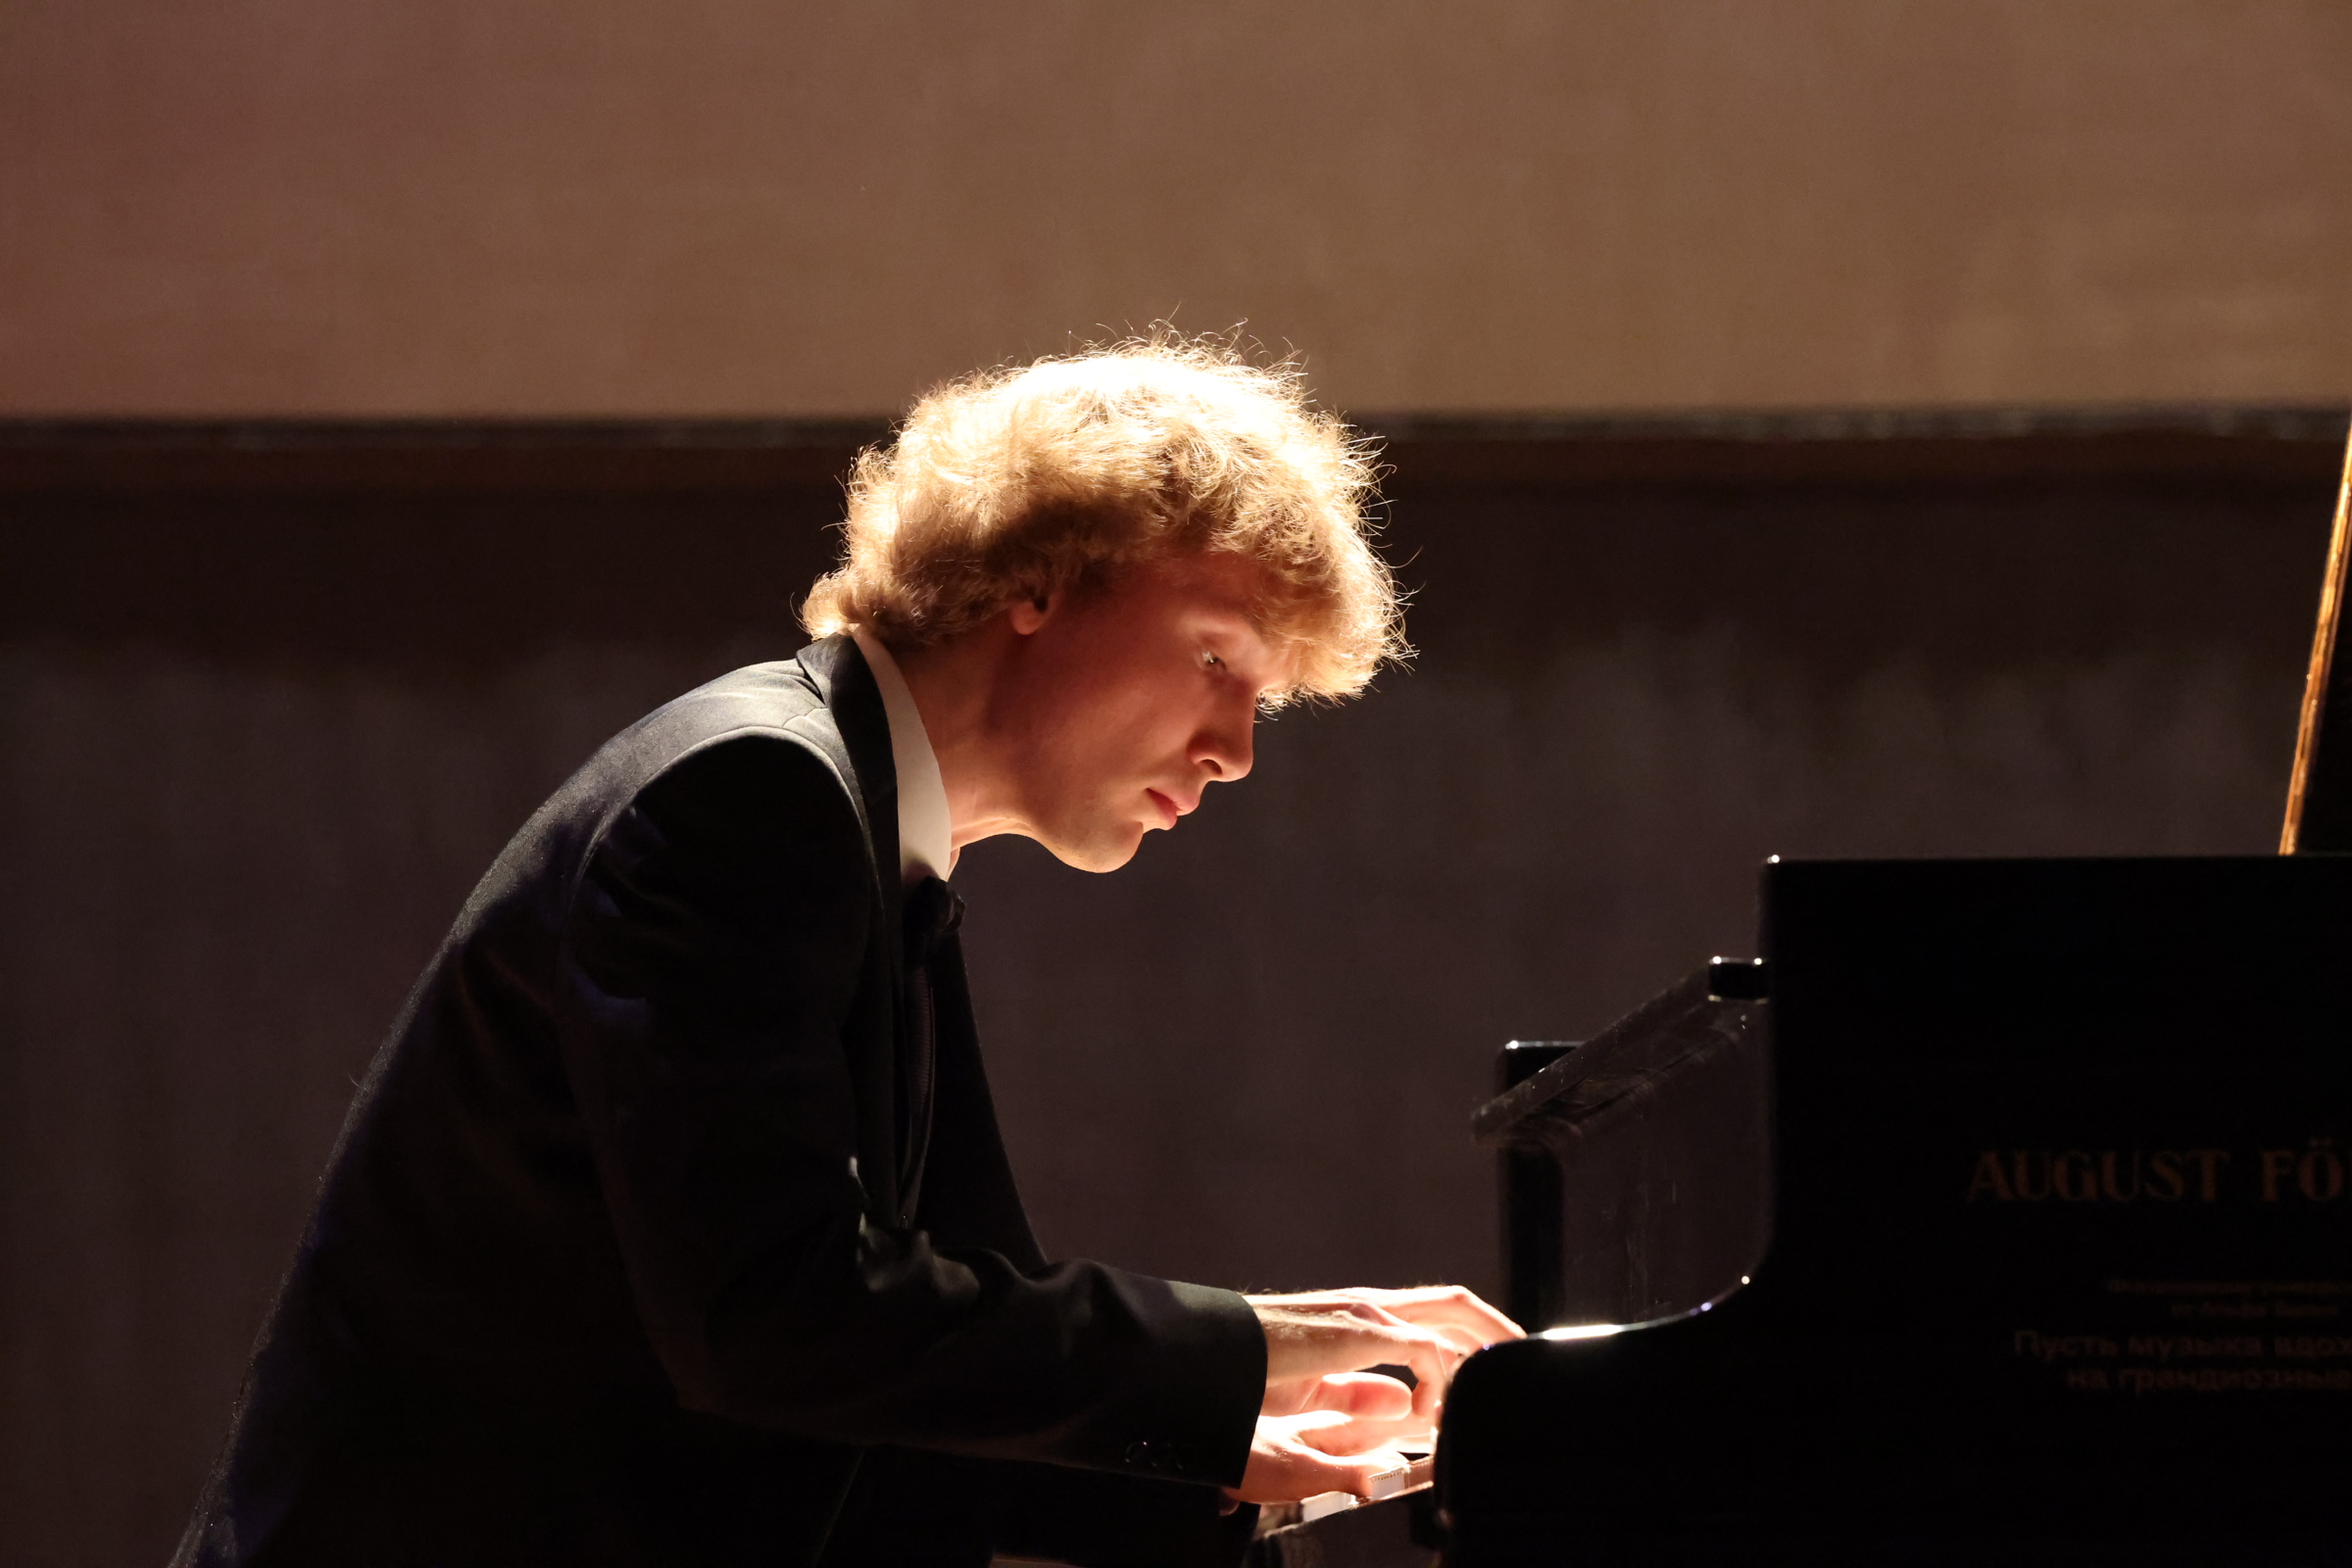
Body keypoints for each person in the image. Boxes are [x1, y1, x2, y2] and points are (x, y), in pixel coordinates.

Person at [174, 337, 1520, 1568]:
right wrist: (1256, 1348)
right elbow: (777, 1315)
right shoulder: (751, 794)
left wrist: (1226, 1465)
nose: (1235, 753)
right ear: (1039, 580)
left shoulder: (877, 843)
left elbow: (904, 1367)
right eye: (1217, 659)